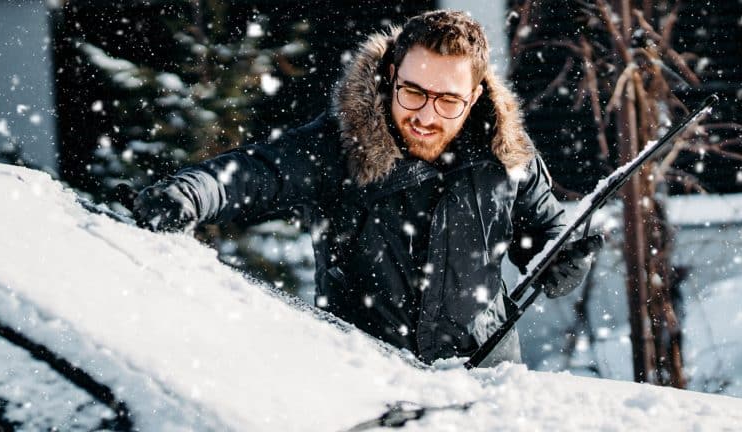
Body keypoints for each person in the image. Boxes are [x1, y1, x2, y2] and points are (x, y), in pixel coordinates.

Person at [134, 10, 602, 366]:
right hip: (365, 380)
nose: (426, 115)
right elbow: (256, 171)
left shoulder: (508, 157)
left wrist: (565, 260)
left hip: (484, 382)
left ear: (474, 97)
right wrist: (190, 193)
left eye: (448, 101)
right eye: (413, 91)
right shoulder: (342, 144)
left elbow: (549, 235)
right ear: (391, 77)